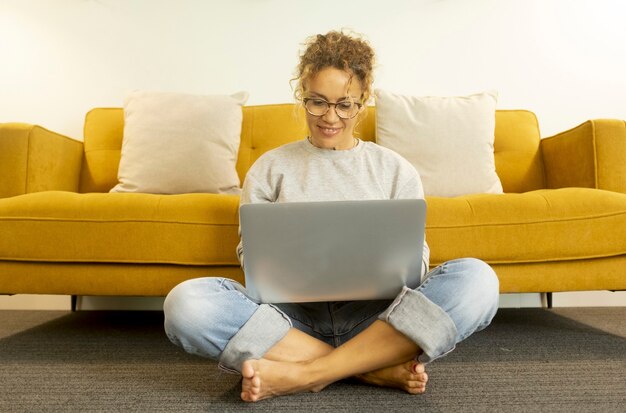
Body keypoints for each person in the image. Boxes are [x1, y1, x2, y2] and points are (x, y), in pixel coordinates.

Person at [163, 30, 499, 403]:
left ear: (363, 102)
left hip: (377, 320)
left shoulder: (395, 169)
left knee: (478, 280)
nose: (330, 117)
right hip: (289, 324)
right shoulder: (270, 168)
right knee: (187, 303)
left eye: (345, 104)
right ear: (301, 97)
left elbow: (416, 263)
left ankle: (306, 373)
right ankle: (371, 368)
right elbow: (251, 260)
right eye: (317, 102)